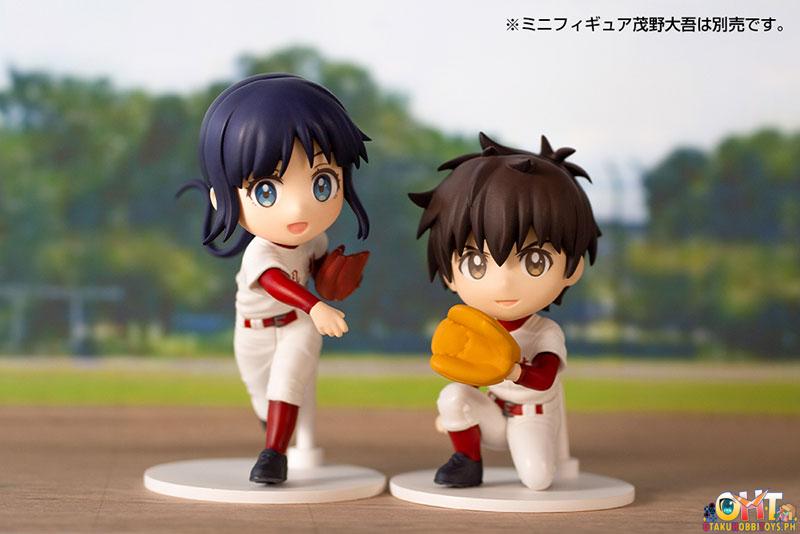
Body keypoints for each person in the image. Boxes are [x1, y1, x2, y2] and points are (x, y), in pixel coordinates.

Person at [180, 73, 370, 484]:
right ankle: (278, 436)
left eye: (322, 182)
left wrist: (334, 278)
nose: (298, 207)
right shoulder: (261, 251)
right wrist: (316, 305)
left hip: (297, 326)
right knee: (263, 398)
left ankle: (274, 455)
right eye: (266, 190)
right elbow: (275, 283)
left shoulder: (315, 239)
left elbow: (318, 271)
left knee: (287, 382)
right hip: (253, 332)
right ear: (220, 197)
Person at [409, 132, 601, 489]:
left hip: (532, 416)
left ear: (572, 269)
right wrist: (455, 414)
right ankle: (467, 461)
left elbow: (544, 378)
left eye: (534, 260)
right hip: (493, 411)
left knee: (538, 480)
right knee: (451, 395)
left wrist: (509, 369)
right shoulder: (474, 322)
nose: (503, 282)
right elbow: (467, 371)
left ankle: (523, 458)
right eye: (476, 263)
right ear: (450, 275)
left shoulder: (544, 331)